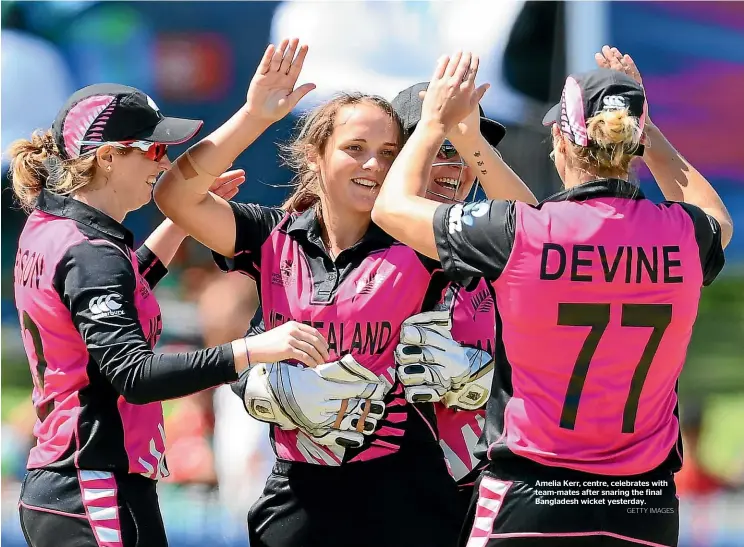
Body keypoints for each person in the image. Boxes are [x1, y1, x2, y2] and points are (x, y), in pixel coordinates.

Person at [155, 38, 513, 547]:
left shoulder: (425, 240)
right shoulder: (271, 235)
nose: (371, 165)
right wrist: (254, 116)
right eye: (354, 149)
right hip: (297, 504)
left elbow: (534, 232)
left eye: (387, 154)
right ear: (316, 156)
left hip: (410, 506)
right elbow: (173, 195)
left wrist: (484, 373)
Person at [372, 47, 732, 547]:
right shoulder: (683, 236)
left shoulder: (526, 234)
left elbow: (391, 209)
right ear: (633, 142)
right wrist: (648, 133)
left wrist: (435, 122)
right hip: (643, 505)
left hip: (532, 494)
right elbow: (718, 218)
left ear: (561, 140)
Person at [9, 83, 337, 547]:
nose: (164, 164)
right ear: (107, 157)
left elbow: (114, 288)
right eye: (155, 148)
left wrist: (180, 223)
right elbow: (135, 375)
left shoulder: (53, 226)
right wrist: (254, 348)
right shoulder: (91, 253)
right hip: (92, 484)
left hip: (71, 481)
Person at [390, 82, 535, 516]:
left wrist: (486, 380)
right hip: (377, 499)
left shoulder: (497, 249)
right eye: (442, 147)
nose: (459, 167)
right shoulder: (352, 239)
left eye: (469, 150)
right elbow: (271, 339)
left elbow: (537, 227)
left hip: (483, 498)